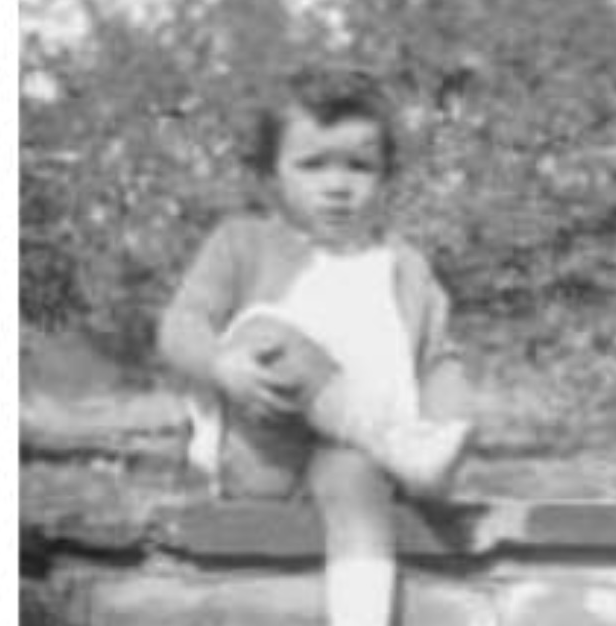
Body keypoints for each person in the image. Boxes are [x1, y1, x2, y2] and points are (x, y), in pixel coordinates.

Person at [158, 64, 473, 626]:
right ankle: (398, 444)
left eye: (359, 166)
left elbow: (439, 358)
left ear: (387, 177)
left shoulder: (404, 267)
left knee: (355, 473)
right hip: (264, 448)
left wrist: (452, 426)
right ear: (270, 176)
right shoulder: (243, 243)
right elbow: (180, 324)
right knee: (268, 336)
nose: (337, 184)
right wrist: (221, 365)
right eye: (312, 164)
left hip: (351, 462)